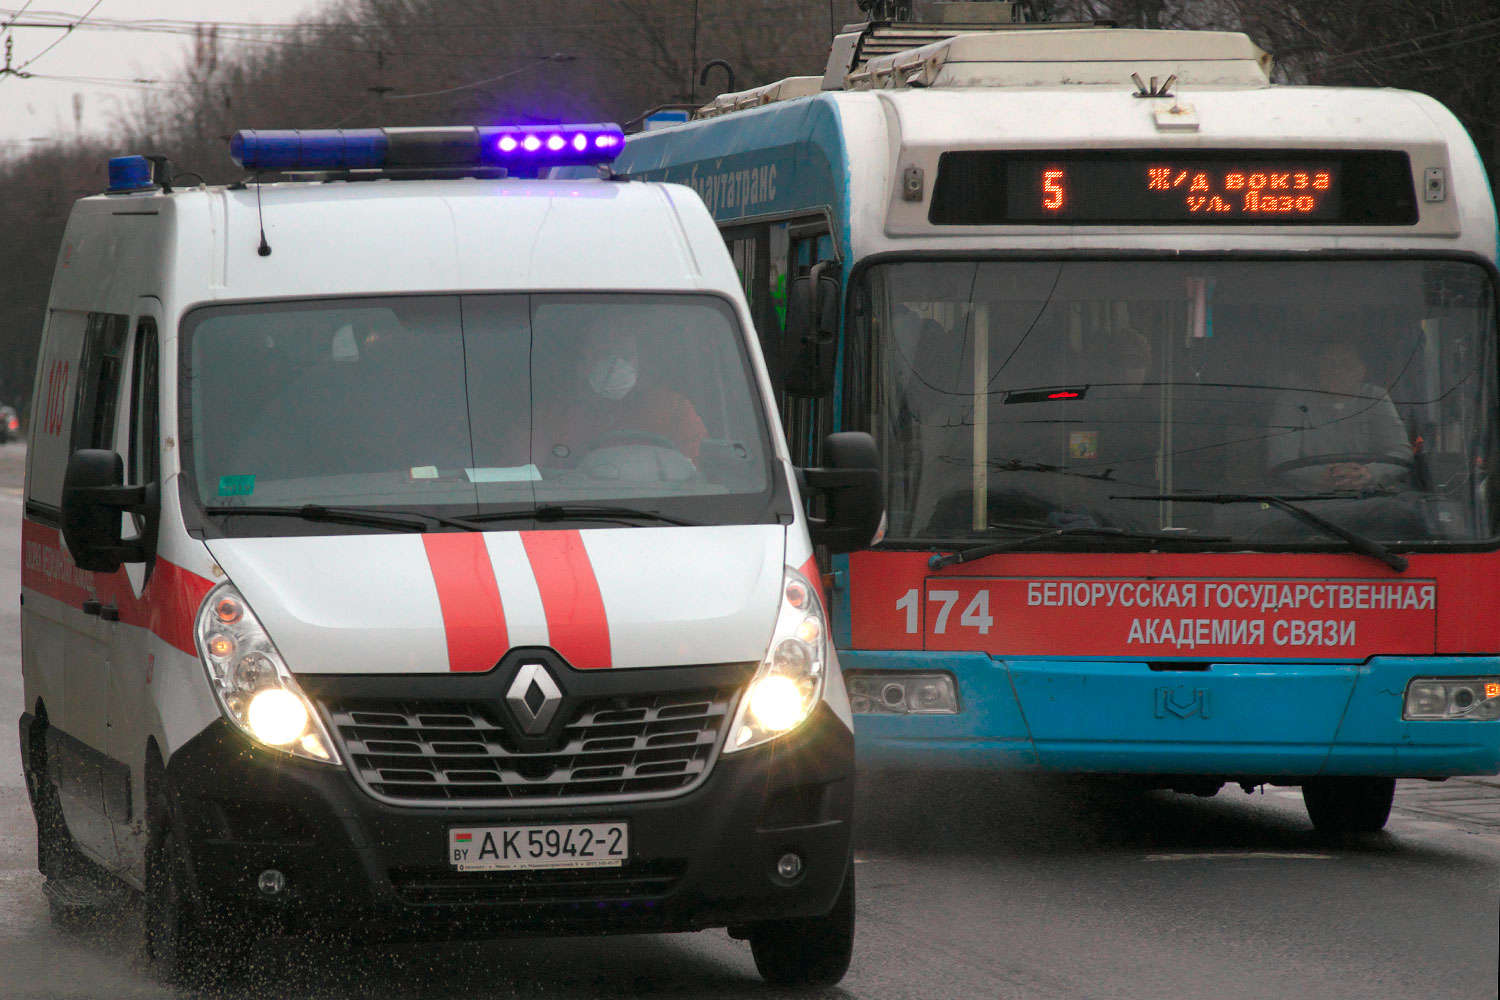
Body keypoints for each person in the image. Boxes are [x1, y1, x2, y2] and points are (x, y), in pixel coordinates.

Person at [526, 327, 708, 468]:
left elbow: (699, 476)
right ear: (581, 364)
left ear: (638, 363)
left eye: (624, 354)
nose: (615, 363)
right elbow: (518, 480)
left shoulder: (673, 410)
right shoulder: (551, 418)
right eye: (603, 353)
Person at [1267, 339, 1411, 491]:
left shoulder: (1374, 397)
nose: (1336, 371)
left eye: (1345, 365)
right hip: (1306, 502)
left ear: (1361, 370)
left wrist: (1368, 473)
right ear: (1316, 368)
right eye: (1328, 365)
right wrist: (1322, 476)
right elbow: (1280, 461)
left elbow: (1402, 454)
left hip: (1370, 499)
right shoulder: (1293, 401)